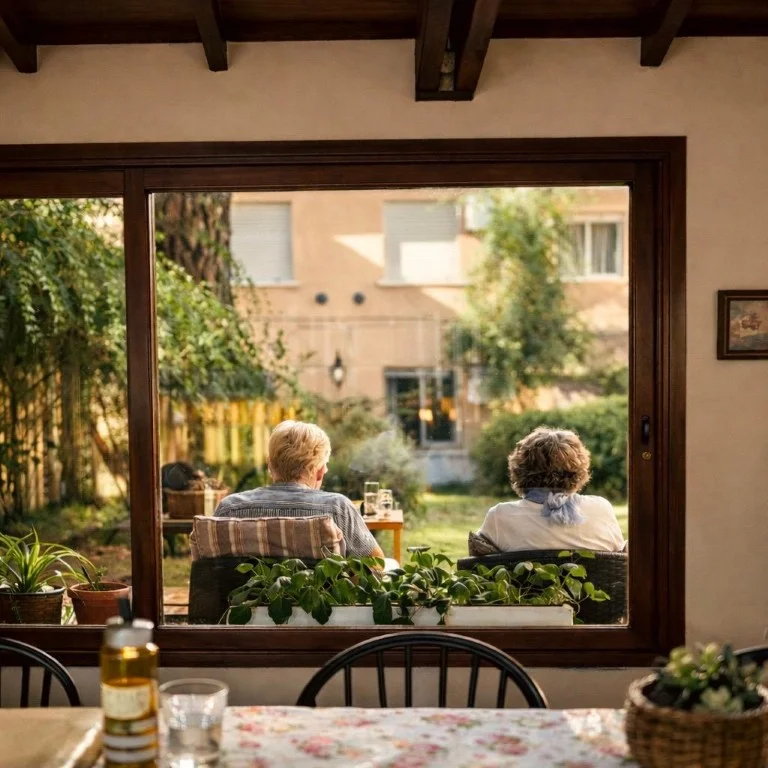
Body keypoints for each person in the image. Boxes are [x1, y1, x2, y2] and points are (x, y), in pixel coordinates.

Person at [215, 420, 385, 560]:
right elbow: (375, 567)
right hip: (322, 602)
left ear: (269, 465)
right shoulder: (337, 508)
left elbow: (210, 574)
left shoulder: (229, 508)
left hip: (246, 602)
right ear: (319, 472)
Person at [476, 427, 625, 553]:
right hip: (595, 588)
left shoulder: (500, 516)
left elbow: (478, 567)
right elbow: (621, 557)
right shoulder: (600, 508)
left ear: (519, 469)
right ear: (579, 470)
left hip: (526, 588)